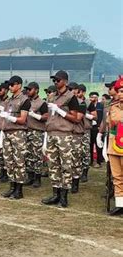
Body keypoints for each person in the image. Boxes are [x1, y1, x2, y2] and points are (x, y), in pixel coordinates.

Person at [42, 71, 80, 208]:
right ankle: (55, 193)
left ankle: (64, 196)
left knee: (65, 165)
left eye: (58, 80)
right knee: (53, 165)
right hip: (52, 133)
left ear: (65, 81)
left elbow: (75, 118)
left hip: (64, 134)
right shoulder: (52, 97)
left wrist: (60, 111)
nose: (56, 83)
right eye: (54, 81)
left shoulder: (71, 97)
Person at [0, 76, 31, 199]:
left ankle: (19, 189)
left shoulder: (24, 100)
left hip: (18, 133)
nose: (10, 87)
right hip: (8, 132)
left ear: (19, 85)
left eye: (12, 84)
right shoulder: (10, 100)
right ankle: (12, 187)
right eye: (9, 85)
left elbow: (23, 119)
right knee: (9, 161)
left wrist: (9, 117)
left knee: (19, 161)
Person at [101, 77, 123, 215]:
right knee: (117, 177)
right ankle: (120, 204)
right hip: (113, 145)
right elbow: (110, 126)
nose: (120, 94)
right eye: (119, 91)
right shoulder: (113, 106)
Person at [24, 82, 48, 188]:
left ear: (36, 90)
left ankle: (37, 178)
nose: (28, 91)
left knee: (37, 155)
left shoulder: (41, 103)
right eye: (27, 90)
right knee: (28, 155)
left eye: (30, 89)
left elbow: (46, 117)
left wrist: (35, 116)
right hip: (26, 131)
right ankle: (30, 176)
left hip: (36, 131)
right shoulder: (26, 101)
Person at [89, 91, 104, 168]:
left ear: (98, 97)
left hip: (98, 127)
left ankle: (99, 160)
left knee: (98, 144)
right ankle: (91, 161)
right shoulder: (88, 105)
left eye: (95, 97)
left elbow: (102, 117)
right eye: (91, 97)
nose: (93, 98)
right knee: (90, 144)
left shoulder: (101, 105)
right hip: (90, 127)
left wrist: (101, 126)